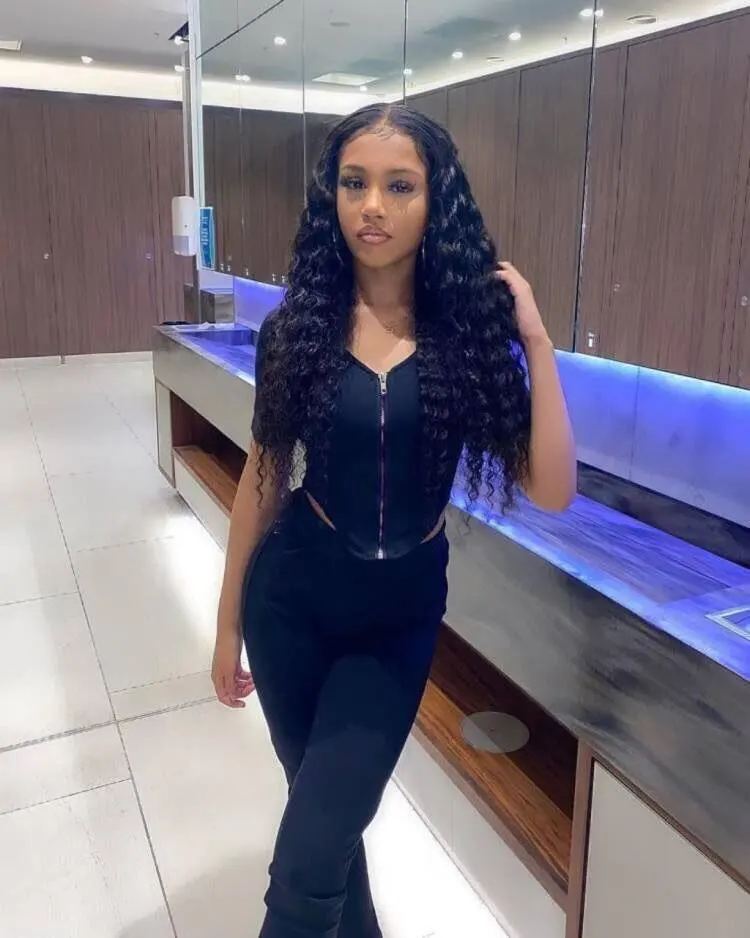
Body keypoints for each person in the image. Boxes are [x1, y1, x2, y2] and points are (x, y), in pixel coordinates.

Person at [211, 103, 576, 938]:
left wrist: (536, 341)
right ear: (332, 196)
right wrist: (227, 625)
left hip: (396, 624)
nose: (372, 205)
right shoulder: (296, 329)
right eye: (354, 183)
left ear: (435, 199)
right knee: (327, 833)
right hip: (290, 608)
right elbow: (261, 483)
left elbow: (553, 489)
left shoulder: (466, 339)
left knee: (308, 859)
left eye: (399, 186)